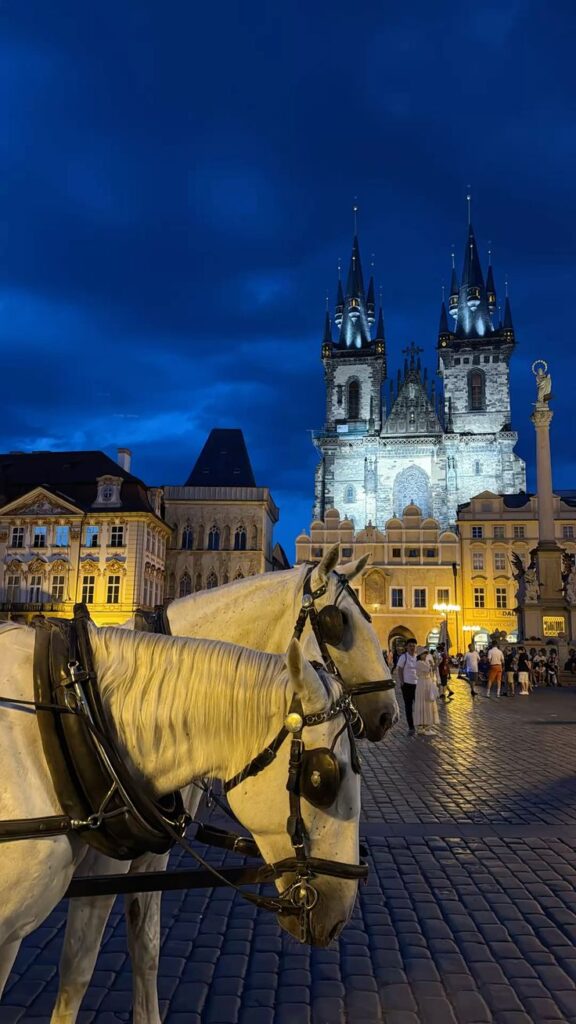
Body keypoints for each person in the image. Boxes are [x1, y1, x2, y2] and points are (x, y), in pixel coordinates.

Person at [413, 645, 440, 735]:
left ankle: (426, 726)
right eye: (423, 654)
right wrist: (437, 662)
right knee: (424, 704)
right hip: (423, 684)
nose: (425, 656)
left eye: (426, 654)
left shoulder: (424, 662)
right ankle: (423, 727)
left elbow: (431, 670)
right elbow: (431, 669)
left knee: (428, 703)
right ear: (420, 655)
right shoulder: (419, 663)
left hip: (427, 683)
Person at [396, 638, 419, 735]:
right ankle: (411, 726)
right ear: (406, 647)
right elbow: (400, 669)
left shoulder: (417, 657)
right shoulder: (403, 657)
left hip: (417, 684)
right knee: (408, 706)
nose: (412, 648)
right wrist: (402, 682)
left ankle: (420, 724)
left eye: (413, 646)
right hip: (407, 684)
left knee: (418, 706)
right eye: (410, 646)